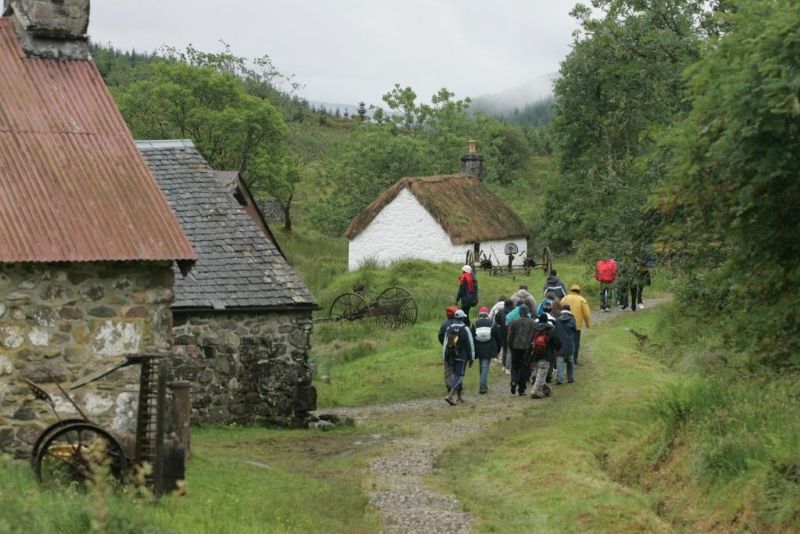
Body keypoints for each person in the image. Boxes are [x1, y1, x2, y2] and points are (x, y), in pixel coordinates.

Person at [442, 309, 475, 405]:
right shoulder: (465, 328)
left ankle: (459, 397)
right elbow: (470, 344)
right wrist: (471, 358)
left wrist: (445, 356)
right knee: (459, 376)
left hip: (452, 356)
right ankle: (450, 395)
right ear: (462, 318)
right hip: (462, 357)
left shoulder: (450, 328)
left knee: (457, 375)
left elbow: (446, 343)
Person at [472, 306, 502, 394]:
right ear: (487, 313)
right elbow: (498, 338)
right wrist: (498, 349)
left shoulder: (474, 323)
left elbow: (472, 337)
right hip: (489, 348)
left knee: (482, 365)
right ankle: (483, 386)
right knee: (485, 366)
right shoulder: (492, 323)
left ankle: (482, 384)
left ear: (480, 314)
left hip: (478, 348)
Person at [506, 304, 535, 396]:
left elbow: (510, 336)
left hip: (515, 347)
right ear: (527, 312)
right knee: (524, 368)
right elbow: (534, 336)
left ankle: (514, 381)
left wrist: (510, 346)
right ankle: (521, 389)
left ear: (519, 312)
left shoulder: (514, 322)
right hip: (527, 348)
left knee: (514, 366)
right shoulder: (532, 322)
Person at [530, 313, 561, 399]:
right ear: (547, 320)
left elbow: (530, 342)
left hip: (535, 355)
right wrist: (557, 350)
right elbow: (557, 343)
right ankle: (535, 391)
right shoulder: (550, 329)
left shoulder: (534, 329)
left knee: (540, 374)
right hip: (546, 355)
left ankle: (547, 391)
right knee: (542, 374)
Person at [560, 284, 591, 365]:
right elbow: (587, 314)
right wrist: (587, 325)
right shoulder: (582, 299)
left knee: (565, 340)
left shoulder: (565, 298)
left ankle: (565, 357)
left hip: (565, 324)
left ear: (571, 290)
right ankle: (574, 359)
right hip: (576, 325)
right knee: (575, 342)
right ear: (579, 291)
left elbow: (559, 309)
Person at [438, 305, 460, 392]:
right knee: (456, 368)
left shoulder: (444, 323)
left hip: (447, 349)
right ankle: (455, 384)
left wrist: (444, 344)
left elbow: (440, 336)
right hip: (457, 349)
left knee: (447, 368)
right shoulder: (459, 323)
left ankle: (448, 384)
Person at [554, 304, 577, 384]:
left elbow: (555, 332)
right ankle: (570, 378)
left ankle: (559, 379)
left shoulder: (557, 320)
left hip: (560, 344)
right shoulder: (572, 319)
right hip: (570, 343)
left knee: (559, 361)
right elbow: (575, 331)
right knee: (570, 361)